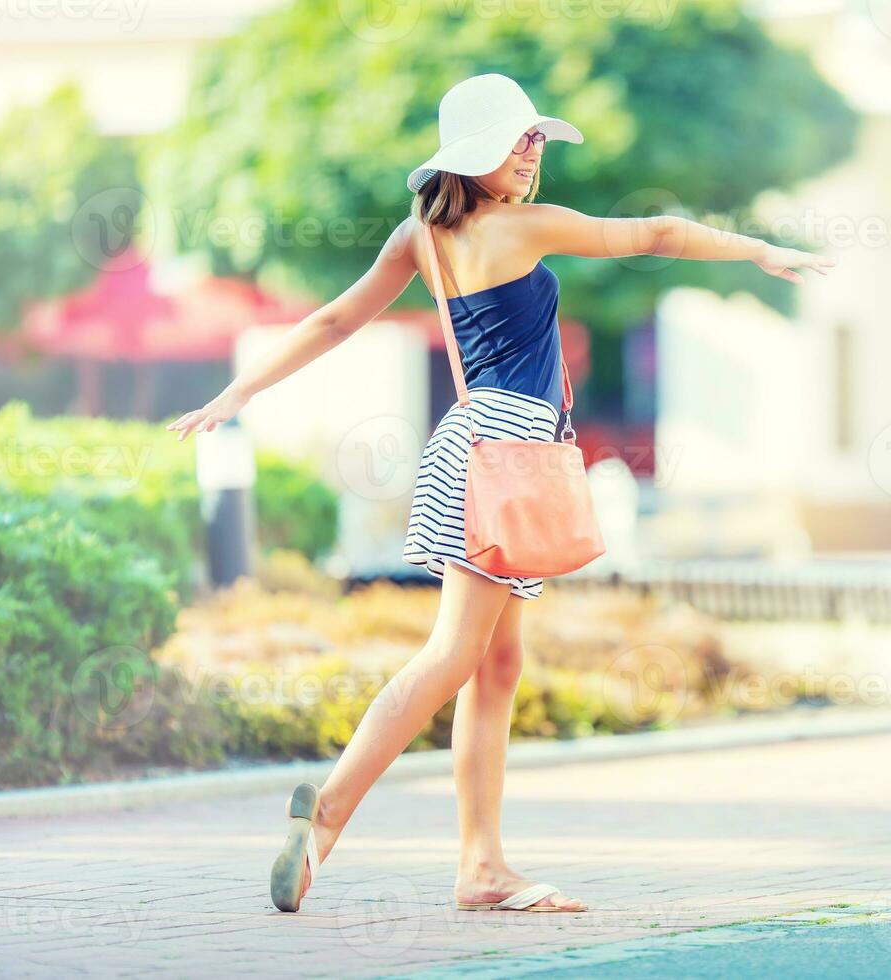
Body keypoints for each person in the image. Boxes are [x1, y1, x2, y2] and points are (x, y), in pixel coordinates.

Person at [166, 73, 834, 915]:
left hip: (471, 443)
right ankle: (326, 815)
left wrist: (239, 393)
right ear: (475, 154)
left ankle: (481, 867)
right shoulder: (522, 226)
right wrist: (759, 252)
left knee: (497, 662)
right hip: (511, 452)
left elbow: (334, 320)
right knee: (452, 654)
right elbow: (656, 232)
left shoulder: (422, 238)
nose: (532, 153)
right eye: (517, 140)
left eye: (535, 140)